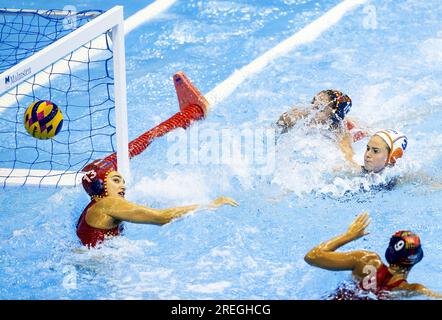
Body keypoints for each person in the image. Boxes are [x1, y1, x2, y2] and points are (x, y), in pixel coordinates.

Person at [77, 159, 238, 248]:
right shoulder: (109, 203)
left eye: (123, 181)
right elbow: (163, 217)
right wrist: (210, 205)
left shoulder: (91, 208)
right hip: (97, 266)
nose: (123, 186)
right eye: (116, 180)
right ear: (99, 184)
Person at [304, 212, 442, 299]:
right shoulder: (410, 290)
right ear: (417, 259)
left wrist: (348, 236)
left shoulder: (366, 261)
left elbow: (312, 256)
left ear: (389, 253)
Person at [276, 90, 366, 162]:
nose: (313, 109)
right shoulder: (306, 113)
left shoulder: (340, 131)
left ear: (333, 116)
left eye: (320, 107)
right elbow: (280, 123)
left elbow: (348, 159)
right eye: (313, 103)